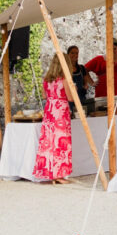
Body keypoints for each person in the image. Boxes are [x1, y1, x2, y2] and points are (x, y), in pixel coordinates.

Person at [34, 52, 75, 184]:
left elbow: (45, 96)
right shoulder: (64, 80)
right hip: (60, 111)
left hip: (49, 111)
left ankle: (49, 171)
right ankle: (59, 173)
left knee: (49, 141)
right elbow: (70, 98)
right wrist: (73, 88)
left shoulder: (46, 79)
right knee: (60, 141)